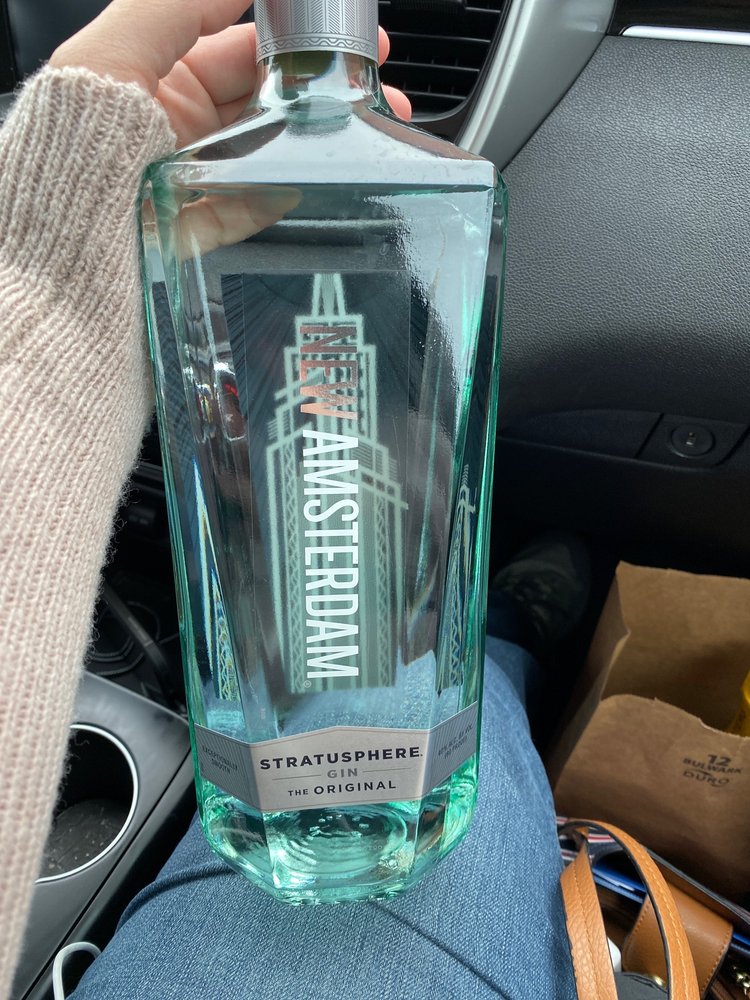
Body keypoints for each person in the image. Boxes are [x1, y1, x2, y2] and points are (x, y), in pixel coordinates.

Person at [0, 2, 582, 996]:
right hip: (384, 807)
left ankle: (483, 633)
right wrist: (49, 277)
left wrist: (40, 282)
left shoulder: (424, 184)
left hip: (273, 813)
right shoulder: (203, 185)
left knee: (399, 603)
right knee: (455, 651)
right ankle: (500, 639)